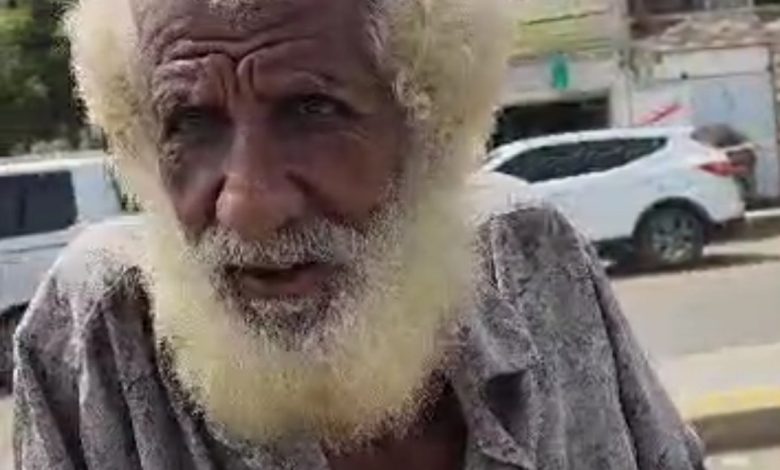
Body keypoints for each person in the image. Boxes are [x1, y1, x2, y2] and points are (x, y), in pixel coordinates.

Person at [13, 0, 705, 468]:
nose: (248, 206)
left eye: (312, 110)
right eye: (191, 123)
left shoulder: (531, 254)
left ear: (426, 127)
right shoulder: (97, 333)